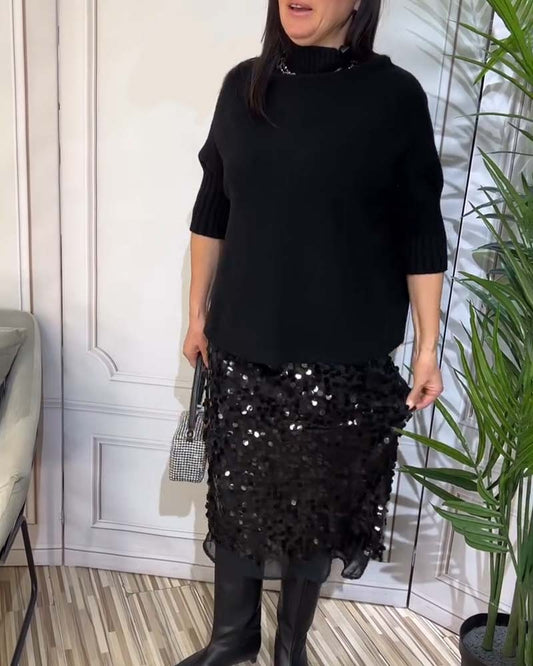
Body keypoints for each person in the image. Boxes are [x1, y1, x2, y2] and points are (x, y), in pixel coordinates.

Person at [179, 0, 448, 664]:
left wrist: (427, 347)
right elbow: (213, 204)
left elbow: (420, 227)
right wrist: (196, 314)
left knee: (318, 504)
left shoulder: (393, 97)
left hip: (345, 350)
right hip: (244, 337)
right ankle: (233, 639)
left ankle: (289, 647)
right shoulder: (243, 86)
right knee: (239, 495)